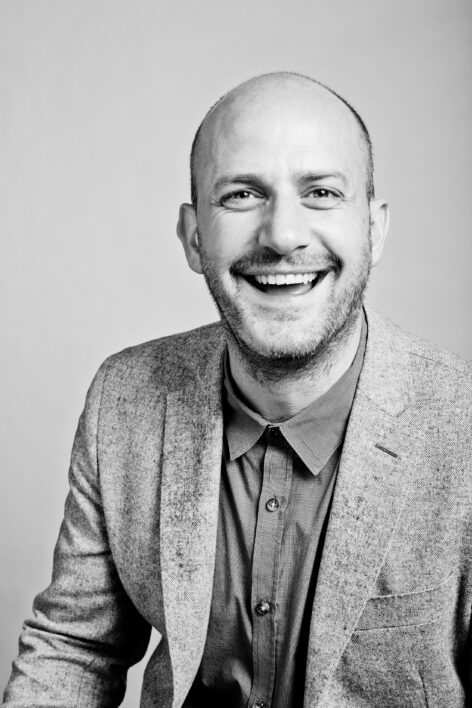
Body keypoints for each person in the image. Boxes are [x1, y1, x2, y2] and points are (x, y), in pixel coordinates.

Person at [3, 72, 472, 708]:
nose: (282, 236)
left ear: (375, 228)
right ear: (195, 237)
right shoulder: (125, 399)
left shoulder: (462, 423)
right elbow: (76, 649)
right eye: (243, 195)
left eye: (322, 192)